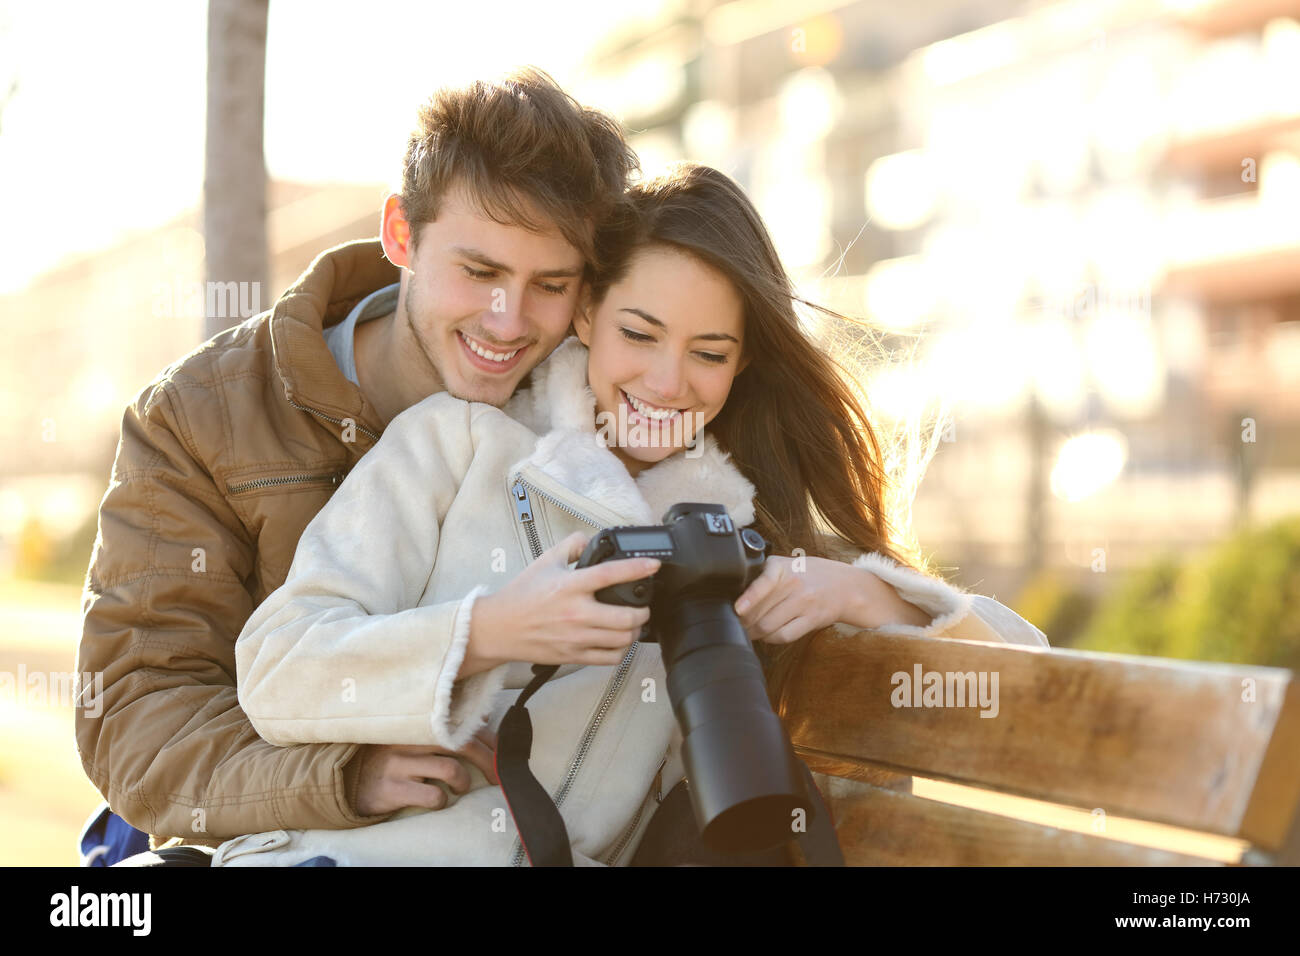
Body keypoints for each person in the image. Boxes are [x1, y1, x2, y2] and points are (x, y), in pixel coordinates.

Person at [212, 163, 1048, 867]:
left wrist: (871, 597)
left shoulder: (739, 531)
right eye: (639, 335)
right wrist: (492, 630)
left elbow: (1027, 685)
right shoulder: (456, 445)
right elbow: (278, 668)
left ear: (743, 361)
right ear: (585, 316)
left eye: (708, 354)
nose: (667, 382)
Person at [74, 67, 639, 850]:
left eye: (549, 284)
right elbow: (137, 714)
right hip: (237, 836)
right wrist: (344, 774)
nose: (508, 322)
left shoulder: (590, 398)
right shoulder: (200, 415)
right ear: (402, 234)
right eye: (479, 273)